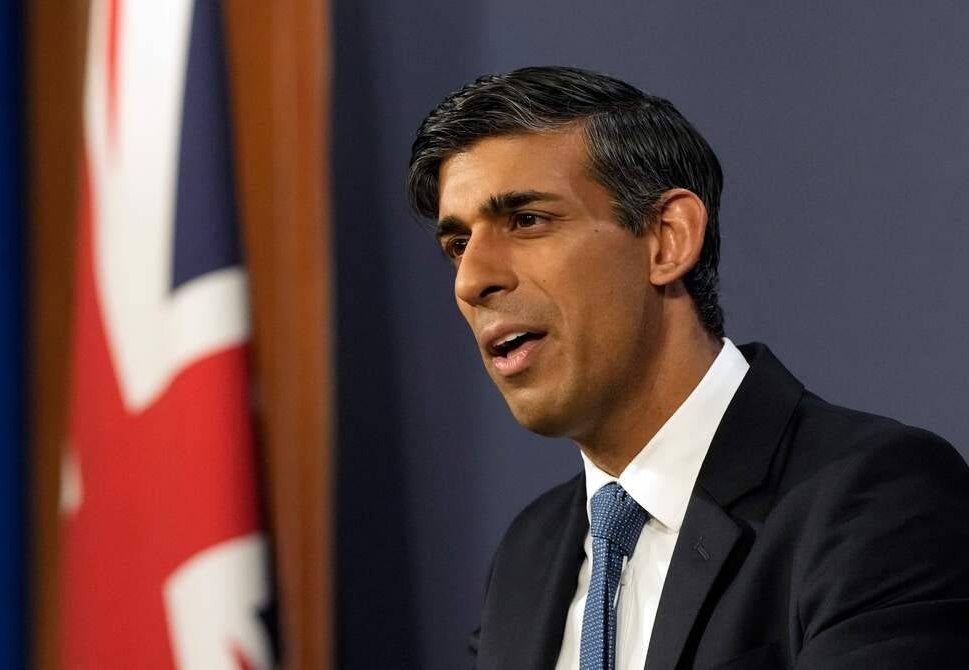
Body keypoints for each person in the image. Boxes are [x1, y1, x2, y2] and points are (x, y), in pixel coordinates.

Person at [406, 66, 969, 669]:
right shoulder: (530, 555)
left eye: (526, 220)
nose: (472, 279)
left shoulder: (875, 498)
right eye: (458, 245)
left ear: (667, 239)